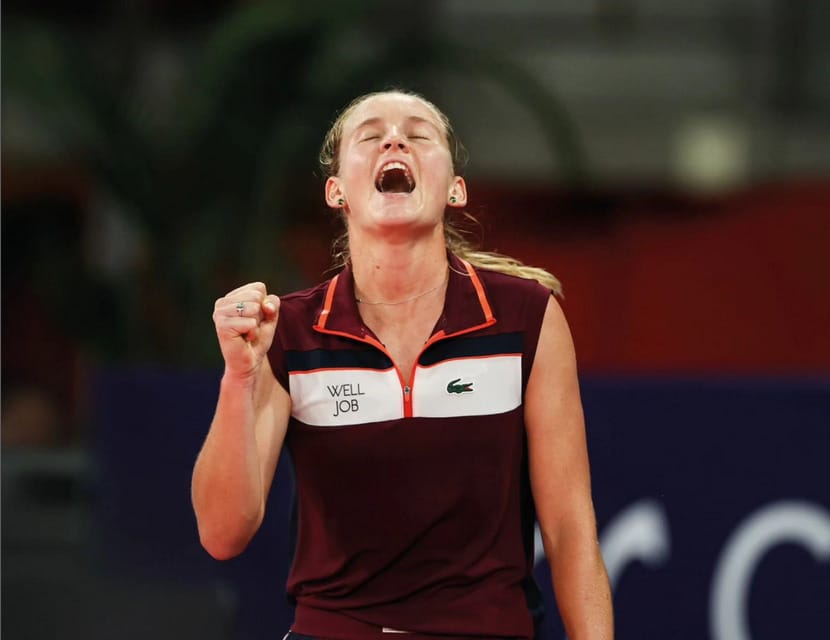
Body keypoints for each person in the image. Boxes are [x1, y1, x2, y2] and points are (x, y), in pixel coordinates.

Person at [191, 89, 613, 640]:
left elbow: (569, 528)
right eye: (371, 136)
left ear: (455, 189)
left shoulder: (526, 318)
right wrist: (239, 378)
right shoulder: (287, 331)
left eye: (418, 135)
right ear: (336, 192)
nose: (394, 141)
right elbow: (222, 534)